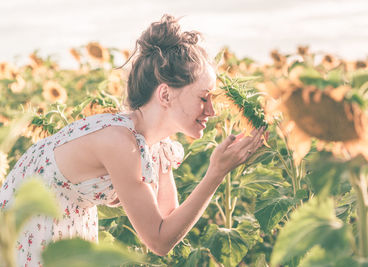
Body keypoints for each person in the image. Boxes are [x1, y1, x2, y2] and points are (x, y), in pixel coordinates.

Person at [0, 14, 266, 266]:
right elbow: (159, 241)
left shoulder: (154, 144)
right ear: (165, 95)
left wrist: (217, 170)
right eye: (203, 98)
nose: (212, 110)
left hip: (65, 222)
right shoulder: (119, 142)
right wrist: (216, 172)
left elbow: (168, 222)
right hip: (29, 227)